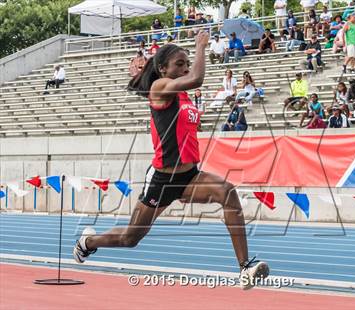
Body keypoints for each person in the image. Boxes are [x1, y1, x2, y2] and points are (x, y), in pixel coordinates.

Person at [74, 31, 269, 291]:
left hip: (189, 176)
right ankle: (88, 243)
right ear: (163, 68)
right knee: (131, 238)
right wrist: (201, 46)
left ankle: (245, 268)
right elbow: (197, 78)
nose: (186, 68)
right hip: (162, 179)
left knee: (228, 193)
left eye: (187, 64)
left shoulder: (183, 96)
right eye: (179, 64)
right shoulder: (159, 88)